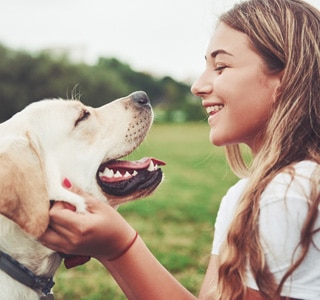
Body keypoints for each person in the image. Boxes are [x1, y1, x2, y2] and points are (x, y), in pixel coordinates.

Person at [40, 0, 320, 299]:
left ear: (287, 78)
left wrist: (119, 248)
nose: (198, 85)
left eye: (221, 67)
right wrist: (110, 249)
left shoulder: (291, 192)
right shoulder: (243, 196)